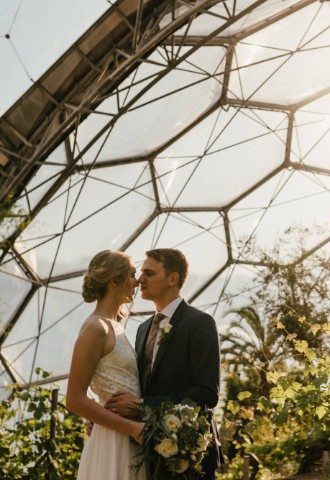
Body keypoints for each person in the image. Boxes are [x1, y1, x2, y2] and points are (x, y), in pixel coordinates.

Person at [106, 248, 223, 480]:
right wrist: (106, 418)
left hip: (189, 455)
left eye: (149, 273)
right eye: (140, 273)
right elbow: (138, 385)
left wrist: (142, 405)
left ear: (173, 278)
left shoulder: (200, 323)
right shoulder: (142, 329)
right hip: (146, 452)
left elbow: (207, 393)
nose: (140, 280)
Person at [66, 250, 146, 480]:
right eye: (132, 275)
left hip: (128, 436)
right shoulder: (95, 328)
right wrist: (132, 428)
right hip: (116, 439)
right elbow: (74, 399)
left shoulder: (116, 326)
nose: (137, 281)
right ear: (114, 281)